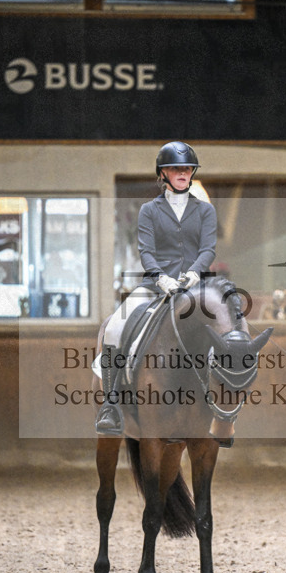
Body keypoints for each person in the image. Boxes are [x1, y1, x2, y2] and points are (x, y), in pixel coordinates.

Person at [94, 140, 217, 436]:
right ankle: (111, 404)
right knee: (114, 327)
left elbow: (208, 249)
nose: (182, 172)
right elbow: (146, 251)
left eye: (187, 168)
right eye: (175, 168)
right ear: (163, 174)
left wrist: (192, 274)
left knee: (230, 327)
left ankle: (222, 406)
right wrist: (161, 277)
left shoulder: (205, 211)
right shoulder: (149, 210)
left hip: (195, 287)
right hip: (154, 286)